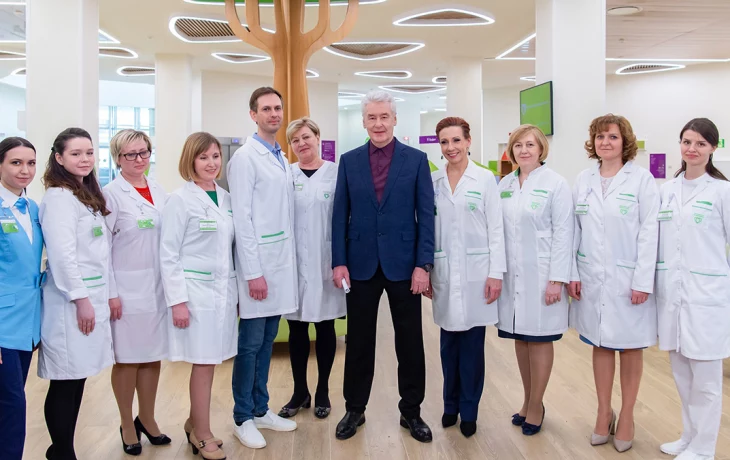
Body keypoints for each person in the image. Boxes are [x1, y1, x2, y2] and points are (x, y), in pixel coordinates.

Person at [332, 89, 435, 443]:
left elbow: (426, 217)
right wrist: (339, 261)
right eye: (372, 118)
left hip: (404, 265)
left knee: (410, 342)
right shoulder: (349, 161)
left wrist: (423, 265)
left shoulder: (416, 160)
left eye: (384, 117)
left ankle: (412, 411)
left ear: (394, 120)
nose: (378, 124)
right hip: (359, 265)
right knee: (359, 341)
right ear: (364, 121)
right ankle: (354, 409)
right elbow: (339, 216)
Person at [568, 114, 660, 453]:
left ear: (625, 142)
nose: (605, 142)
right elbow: (574, 230)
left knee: (631, 346)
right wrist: (573, 273)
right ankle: (604, 412)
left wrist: (643, 280)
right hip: (592, 276)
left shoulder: (642, 180)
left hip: (629, 278)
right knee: (601, 343)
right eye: (600, 137)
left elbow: (650, 232)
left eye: (612, 136)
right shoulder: (584, 180)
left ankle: (628, 416)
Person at [425, 117, 506, 438]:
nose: (451, 148)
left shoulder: (485, 179)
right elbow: (426, 229)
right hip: (444, 270)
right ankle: (450, 406)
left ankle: (469, 410)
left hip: (477, 274)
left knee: (472, 347)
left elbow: (496, 230)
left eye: (456, 140)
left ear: (468, 141)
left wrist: (496, 273)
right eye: (444, 142)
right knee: (448, 346)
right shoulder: (433, 181)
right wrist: (427, 269)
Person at [227, 86, 298, 449]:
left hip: (278, 265)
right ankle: (242, 416)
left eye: (277, 108)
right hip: (258, 268)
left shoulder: (278, 155)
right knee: (250, 344)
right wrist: (253, 272)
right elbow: (242, 217)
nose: (274, 114)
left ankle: (260, 408)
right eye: (266, 109)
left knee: (268, 340)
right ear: (253, 115)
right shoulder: (245, 158)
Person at [160, 132, 238, 460]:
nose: (211, 163)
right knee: (204, 363)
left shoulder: (227, 198)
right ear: (190, 160)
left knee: (213, 360)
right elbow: (168, 254)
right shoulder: (180, 200)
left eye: (215, 156)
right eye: (203, 157)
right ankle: (202, 435)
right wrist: (177, 301)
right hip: (195, 294)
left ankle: (194, 423)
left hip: (223, 291)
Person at [38, 128, 115, 460]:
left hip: (90, 296)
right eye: (75, 154)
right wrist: (81, 300)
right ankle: (62, 452)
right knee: (65, 379)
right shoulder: (58, 198)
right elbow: (62, 256)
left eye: (89, 153)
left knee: (77, 376)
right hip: (70, 303)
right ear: (59, 158)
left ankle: (61, 449)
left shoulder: (83, 193)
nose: (85, 159)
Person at [656, 118, 730, 460]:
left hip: (707, 297)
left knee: (707, 381)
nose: (692, 149)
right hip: (674, 296)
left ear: (713, 148)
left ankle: (703, 449)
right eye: (687, 141)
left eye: (701, 143)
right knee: (682, 373)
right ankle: (688, 437)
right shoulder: (667, 190)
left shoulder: (722, 191)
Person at [496, 124, 573, 436]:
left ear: (541, 148)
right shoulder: (504, 184)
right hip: (512, 277)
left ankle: (537, 405)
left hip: (542, 276)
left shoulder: (556, 184)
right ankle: (527, 400)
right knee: (521, 337)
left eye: (530, 145)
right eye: (518, 145)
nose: (523, 150)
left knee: (539, 339)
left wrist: (557, 279)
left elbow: (564, 233)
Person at [103, 129, 170, 455]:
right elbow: (102, 249)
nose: (139, 159)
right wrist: (111, 292)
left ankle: (147, 417)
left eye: (144, 152)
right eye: (131, 154)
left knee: (151, 356)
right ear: (118, 158)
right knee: (127, 359)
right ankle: (126, 423)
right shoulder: (110, 195)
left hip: (157, 288)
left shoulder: (158, 189)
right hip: (126, 291)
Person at [278, 117, 345, 420]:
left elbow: (344, 219)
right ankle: (299, 392)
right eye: (295, 140)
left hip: (325, 262)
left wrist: (342, 262)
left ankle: (323, 391)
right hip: (292, 262)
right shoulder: (286, 175)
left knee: (326, 326)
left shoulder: (336, 173)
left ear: (318, 137)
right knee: (296, 328)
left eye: (306, 137)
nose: (301, 143)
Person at [0, 137, 43, 460]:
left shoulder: (33, 208)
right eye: (16, 162)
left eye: (30, 163)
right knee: (12, 402)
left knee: (11, 399)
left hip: (27, 323)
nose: (25, 170)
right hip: (2, 325)